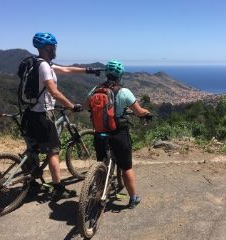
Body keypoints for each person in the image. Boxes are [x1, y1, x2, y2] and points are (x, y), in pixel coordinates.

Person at [23, 32, 100, 200]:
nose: (56, 49)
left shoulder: (37, 63)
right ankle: (58, 188)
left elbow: (67, 69)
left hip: (29, 113)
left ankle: (30, 183)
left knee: (32, 149)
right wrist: (71, 106)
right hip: (42, 114)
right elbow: (54, 92)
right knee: (53, 151)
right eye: (54, 46)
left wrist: (89, 70)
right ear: (48, 48)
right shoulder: (44, 66)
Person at [83, 60, 150, 208]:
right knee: (126, 167)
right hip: (118, 134)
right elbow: (139, 112)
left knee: (101, 162)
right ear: (120, 76)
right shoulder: (124, 92)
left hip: (100, 133)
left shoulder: (95, 89)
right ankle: (133, 198)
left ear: (106, 74)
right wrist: (146, 113)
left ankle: (99, 189)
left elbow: (85, 105)